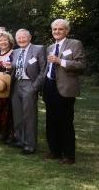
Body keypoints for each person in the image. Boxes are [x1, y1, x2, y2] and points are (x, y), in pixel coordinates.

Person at [42, 19, 86, 164]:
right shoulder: (49, 47)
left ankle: (68, 155)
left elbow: (81, 65)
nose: (57, 31)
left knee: (65, 122)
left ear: (66, 31)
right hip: (49, 87)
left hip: (65, 89)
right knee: (51, 121)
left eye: (60, 29)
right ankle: (54, 151)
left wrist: (61, 61)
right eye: (54, 29)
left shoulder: (75, 44)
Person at [10, 29, 46, 155]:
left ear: (30, 37)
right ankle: (20, 140)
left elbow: (43, 70)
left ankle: (30, 145)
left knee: (29, 116)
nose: (21, 39)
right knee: (18, 115)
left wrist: (34, 87)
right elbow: (13, 69)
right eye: (18, 38)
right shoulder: (15, 51)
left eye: (24, 37)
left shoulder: (38, 49)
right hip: (16, 85)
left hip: (30, 84)